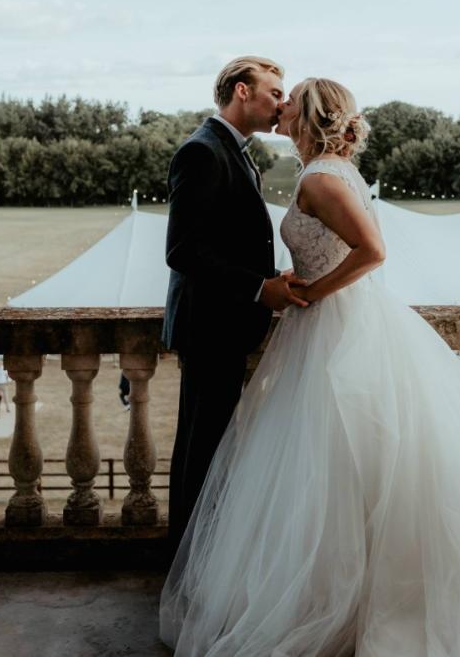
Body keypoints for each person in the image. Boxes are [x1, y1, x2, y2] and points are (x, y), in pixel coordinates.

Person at [159, 78, 460, 656]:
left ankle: (359, 594)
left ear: (310, 110)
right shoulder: (322, 170)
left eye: (289, 95)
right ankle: (327, 584)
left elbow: (372, 253)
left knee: (347, 458)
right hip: (320, 326)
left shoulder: (322, 177)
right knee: (330, 464)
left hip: (336, 324)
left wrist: (314, 292)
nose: (282, 103)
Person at [161, 55, 307, 553]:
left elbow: (226, 237)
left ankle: (198, 561)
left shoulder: (236, 149)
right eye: (273, 92)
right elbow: (182, 250)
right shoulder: (202, 152)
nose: (281, 103)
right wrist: (258, 288)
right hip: (209, 327)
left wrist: (270, 280)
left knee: (213, 449)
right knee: (202, 451)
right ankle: (186, 566)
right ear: (242, 91)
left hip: (225, 325)